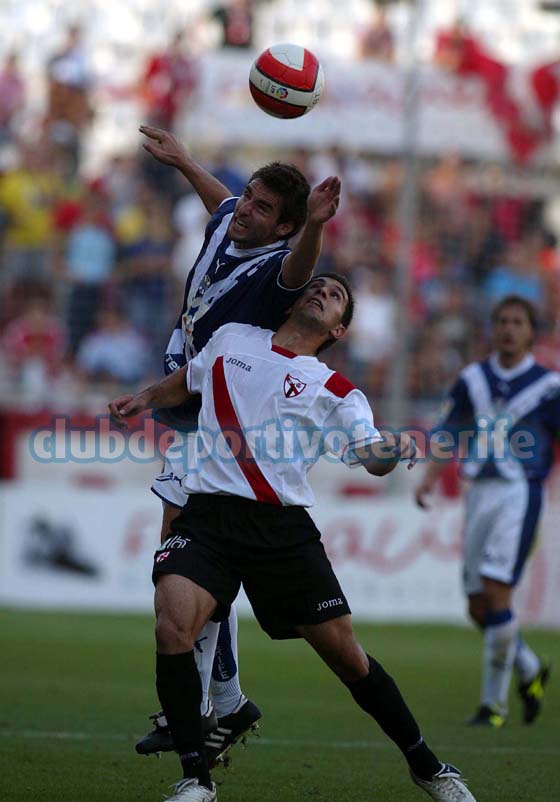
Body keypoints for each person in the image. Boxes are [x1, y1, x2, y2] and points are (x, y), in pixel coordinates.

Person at [109, 274, 477, 802]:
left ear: (340, 328)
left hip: (281, 529)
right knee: (172, 627)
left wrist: (392, 449)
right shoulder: (233, 337)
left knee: (348, 657)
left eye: (335, 296)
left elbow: (369, 458)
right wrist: (143, 399)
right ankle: (196, 781)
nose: (322, 292)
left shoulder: (336, 390)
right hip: (209, 516)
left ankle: (427, 766)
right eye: (318, 285)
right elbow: (189, 379)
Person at [128, 125, 341, 764]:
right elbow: (218, 201)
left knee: (184, 555)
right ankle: (221, 702)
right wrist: (185, 160)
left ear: (283, 229)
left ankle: (198, 704)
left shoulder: (278, 265)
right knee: (187, 557)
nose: (246, 209)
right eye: (249, 196)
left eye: (263, 208)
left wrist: (316, 227)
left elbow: (301, 264)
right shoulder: (231, 219)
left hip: (218, 417)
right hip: (192, 401)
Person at [415, 295, 557, 727]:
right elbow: (448, 432)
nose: (509, 328)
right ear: (491, 329)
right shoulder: (472, 380)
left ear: (531, 331)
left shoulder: (549, 387)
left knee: (497, 593)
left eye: (517, 322)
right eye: (501, 321)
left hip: (520, 493)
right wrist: (428, 478)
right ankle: (530, 669)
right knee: (478, 607)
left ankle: (492, 707)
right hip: (478, 494)